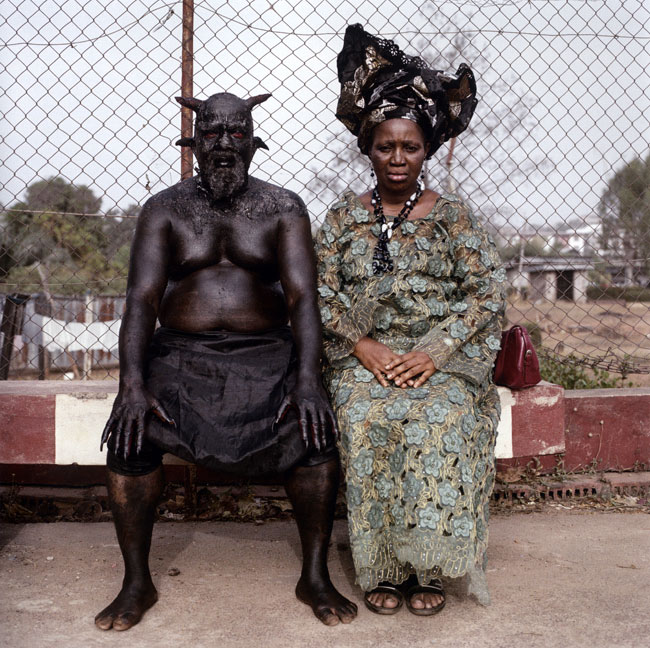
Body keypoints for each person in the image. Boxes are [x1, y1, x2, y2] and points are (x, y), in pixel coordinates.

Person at [95, 91, 357, 630]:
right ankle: (136, 581)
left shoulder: (283, 208)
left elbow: (303, 298)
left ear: (253, 142)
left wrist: (308, 380)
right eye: (211, 133)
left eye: (236, 133)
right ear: (193, 141)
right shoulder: (164, 209)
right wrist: (132, 386)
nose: (223, 144)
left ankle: (314, 575)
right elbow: (142, 299)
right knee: (130, 435)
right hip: (180, 356)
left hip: (267, 355)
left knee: (314, 433)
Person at [314, 24, 506, 616]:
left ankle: (430, 567)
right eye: (385, 146)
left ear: (427, 150)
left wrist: (435, 353)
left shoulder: (454, 218)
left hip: (440, 358)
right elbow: (317, 293)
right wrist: (363, 346)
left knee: (439, 417)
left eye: (411, 147)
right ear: (367, 149)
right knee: (366, 416)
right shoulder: (341, 219)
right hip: (363, 356)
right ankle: (384, 569)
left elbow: (487, 294)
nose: (398, 158)